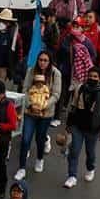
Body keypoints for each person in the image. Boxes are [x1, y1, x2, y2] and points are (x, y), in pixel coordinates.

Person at [15, 52, 61, 182]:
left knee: (40, 138)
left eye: (45, 60)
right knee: (25, 139)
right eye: (40, 60)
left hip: (46, 113)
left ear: (50, 61)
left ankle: (40, 158)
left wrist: (44, 105)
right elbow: (25, 89)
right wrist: (30, 104)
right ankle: (22, 167)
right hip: (30, 111)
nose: (42, 63)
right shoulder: (31, 71)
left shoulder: (55, 74)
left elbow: (56, 94)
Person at [64, 67, 100, 189]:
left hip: (93, 128)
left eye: (95, 76)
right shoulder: (80, 88)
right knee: (74, 150)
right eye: (90, 76)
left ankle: (90, 168)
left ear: (99, 78)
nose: (92, 78)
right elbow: (73, 107)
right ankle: (72, 176)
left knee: (90, 152)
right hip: (78, 126)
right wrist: (69, 124)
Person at [0, 8, 24, 82]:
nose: (3, 23)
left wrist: (15, 67)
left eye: (5, 21)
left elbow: (19, 51)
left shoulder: (14, 35)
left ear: (9, 23)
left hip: (4, 68)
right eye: (1, 20)